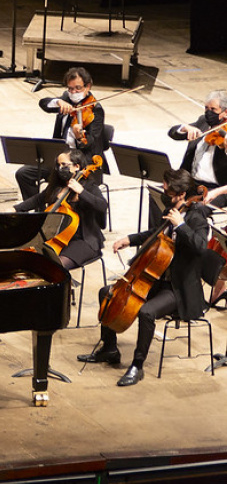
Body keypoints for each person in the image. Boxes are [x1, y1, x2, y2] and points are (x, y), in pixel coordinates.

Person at [77, 168, 209, 387]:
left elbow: (201, 247)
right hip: (157, 280)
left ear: (182, 191)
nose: (163, 189)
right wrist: (129, 239)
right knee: (107, 293)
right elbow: (154, 234)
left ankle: (137, 366)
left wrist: (182, 226)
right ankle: (109, 349)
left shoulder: (196, 215)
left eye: (167, 187)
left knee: (146, 312)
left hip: (178, 288)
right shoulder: (172, 208)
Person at [16, 67, 106, 200]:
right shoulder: (66, 99)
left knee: (61, 182)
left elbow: (91, 142)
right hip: (60, 158)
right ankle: (39, 212)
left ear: (88, 87)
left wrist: (80, 136)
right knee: (23, 173)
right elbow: (44, 104)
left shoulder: (96, 110)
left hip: (82, 163)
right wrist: (57, 101)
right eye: (70, 89)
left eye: (78, 88)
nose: (73, 92)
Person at [14, 149, 107, 269]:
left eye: (64, 165)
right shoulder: (58, 185)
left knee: (55, 267)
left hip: (84, 241)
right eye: (58, 165)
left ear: (76, 166)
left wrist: (82, 192)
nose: (60, 168)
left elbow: (102, 206)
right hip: (57, 237)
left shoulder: (89, 187)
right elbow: (38, 199)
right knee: (26, 258)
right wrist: (16, 209)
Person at [168, 90, 227, 207]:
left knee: (196, 208)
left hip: (217, 188)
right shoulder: (203, 122)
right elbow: (173, 132)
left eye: (213, 109)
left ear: (225, 113)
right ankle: (159, 226)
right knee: (159, 195)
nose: (208, 112)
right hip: (192, 184)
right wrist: (185, 128)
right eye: (206, 108)